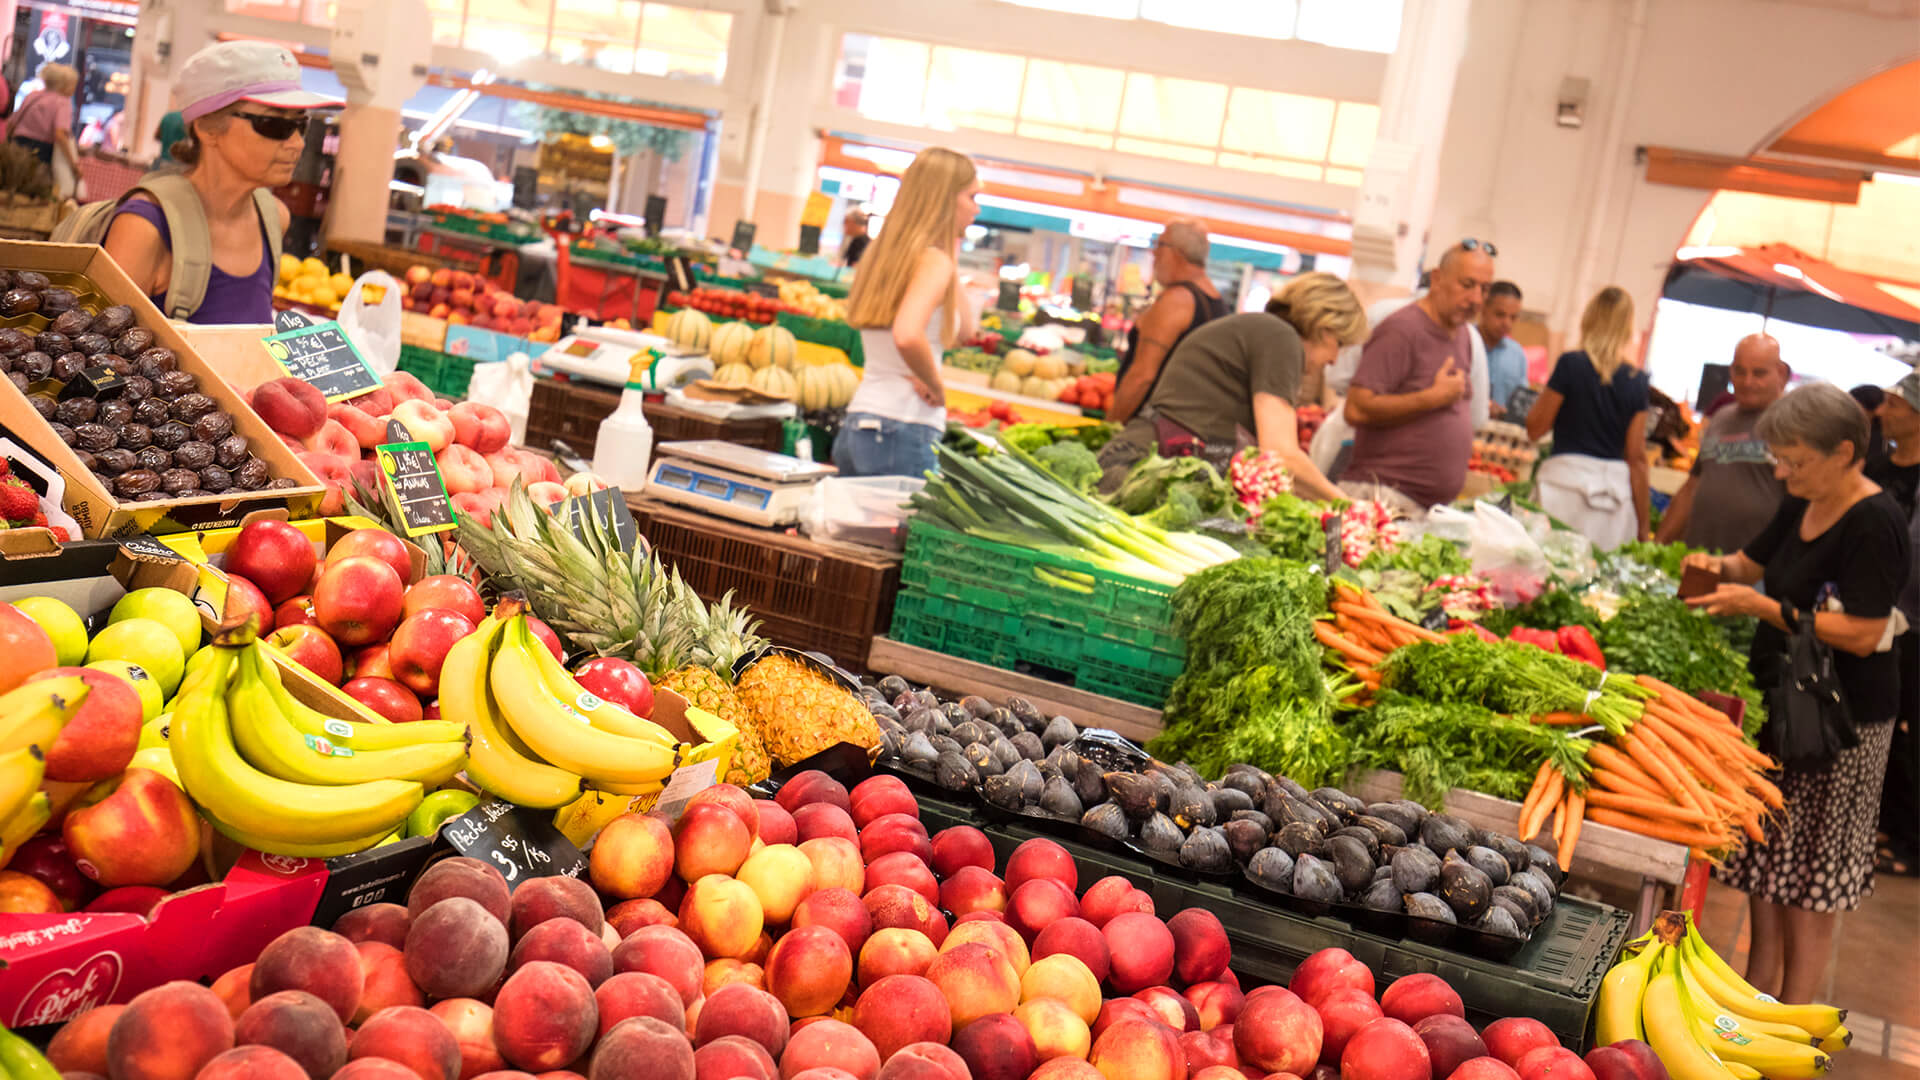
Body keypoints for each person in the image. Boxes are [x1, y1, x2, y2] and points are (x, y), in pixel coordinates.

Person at [1684, 382, 1912, 1005]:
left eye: (1794, 460)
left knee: (1811, 879)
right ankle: (1757, 994)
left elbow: (1865, 633)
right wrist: (1710, 572)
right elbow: (1752, 563)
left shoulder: (1877, 521)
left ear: (1844, 452)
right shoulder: (1800, 498)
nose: (1782, 471)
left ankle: (1797, 1019)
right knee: (1767, 865)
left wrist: (1766, 608)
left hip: (1844, 725)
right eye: (1779, 459)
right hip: (1783, 710)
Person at [97, 41, 338, 324]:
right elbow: (100, 355)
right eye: (275, 124)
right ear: (207, 128)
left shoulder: (273, 219)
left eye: (301, 125)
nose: (297, 143)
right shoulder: (146, 227)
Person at [1095, 272, 1368, 501]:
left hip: (1148, 463)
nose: (1333, 360)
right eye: (1339, 345)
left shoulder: (1263, 330)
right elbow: (1280, 455)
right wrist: (1346, 505)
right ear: (1325, 328)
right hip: (1143, 470)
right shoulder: (1281, 338)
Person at [834, 147, 978, 477]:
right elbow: (907, 334)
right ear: (945, 198)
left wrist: (949, 252)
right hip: (903, 428)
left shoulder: (884, 257)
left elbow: (964, 333)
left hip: (860, 424)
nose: (977, 208)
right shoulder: (933, 262)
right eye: (971, 196)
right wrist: (936, 386)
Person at [1341, 241, 1495, 513]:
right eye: (1467, 284)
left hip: (1424, 508)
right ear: (1437, 279)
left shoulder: (1463, 335)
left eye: (1485, 289)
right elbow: (1355, 408)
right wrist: (1431, 398)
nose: (1477, 299)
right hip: (1383, 499)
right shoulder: (1403, 330)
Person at [1525, 286, 1651, 548]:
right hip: (1611, 500)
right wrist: (1644, 528)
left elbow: (1536, 427)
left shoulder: (1571, 365)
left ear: (1589, 319)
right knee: (1599, 582)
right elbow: (1636, 457)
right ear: (1628, 328)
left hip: (1563, 489)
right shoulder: (1636, 381)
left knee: (1548, 570)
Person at [1655, 335, 1790, 551]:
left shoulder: (1793, 425)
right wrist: (1657, 546)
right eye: (1740, 371)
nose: (1747, 382)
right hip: (1696, 559)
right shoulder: (1720, 418)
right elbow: (1691, 488)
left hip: (1754, 571)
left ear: (1781, 373)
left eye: (1759, 373)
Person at [1867, 372, 1919, 877]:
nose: (1884, 411)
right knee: (1888, 726)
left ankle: (1911, 839)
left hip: (1915, 622)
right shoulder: (1880, 466)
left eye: (1896, 403)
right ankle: (1887, 824)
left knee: (1911, 730)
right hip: (1873, 616)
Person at [1109, 219, 1231, 424]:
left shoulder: (1177, 300)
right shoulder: (1214, 301)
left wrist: (1111, 425)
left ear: (1177, 251)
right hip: (1181, 424)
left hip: (1150, 427)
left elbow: (1142, 376)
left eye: (1159, 245)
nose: (1154, 254)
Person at [6, 63, 80, 196]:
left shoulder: (32, 96)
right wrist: (73, 164)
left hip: (17, 146)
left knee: (12, 188)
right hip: (41, 152)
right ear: (65, 84)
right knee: (33, 193)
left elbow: (11, 123)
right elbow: (60, 135)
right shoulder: (62, 102)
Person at [1480, 281, 1528, 417]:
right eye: (1500, 315)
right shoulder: (1464, 342)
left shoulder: (1517, 354)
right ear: (1483, 309)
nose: (1507, 323)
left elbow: (1520, 404)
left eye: (1513, 317)